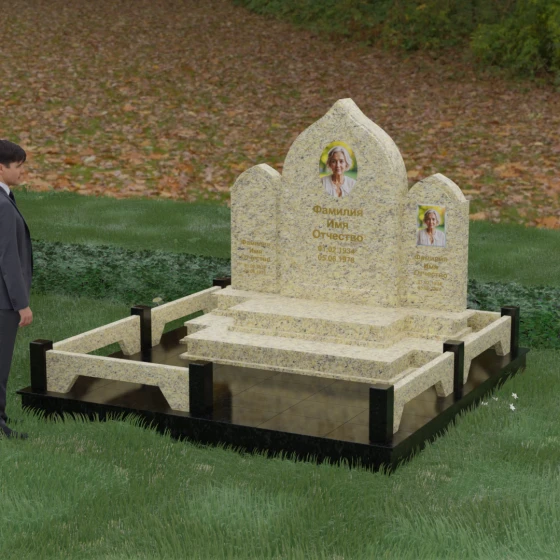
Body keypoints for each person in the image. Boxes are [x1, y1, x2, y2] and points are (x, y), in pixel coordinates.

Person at [0, 139, 32, 439]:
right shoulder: (3, 206)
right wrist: (21, 303)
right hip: (3, 301)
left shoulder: (4, 199)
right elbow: (9, 259)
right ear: (1, 168)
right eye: (18, 166)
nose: (22, 171)